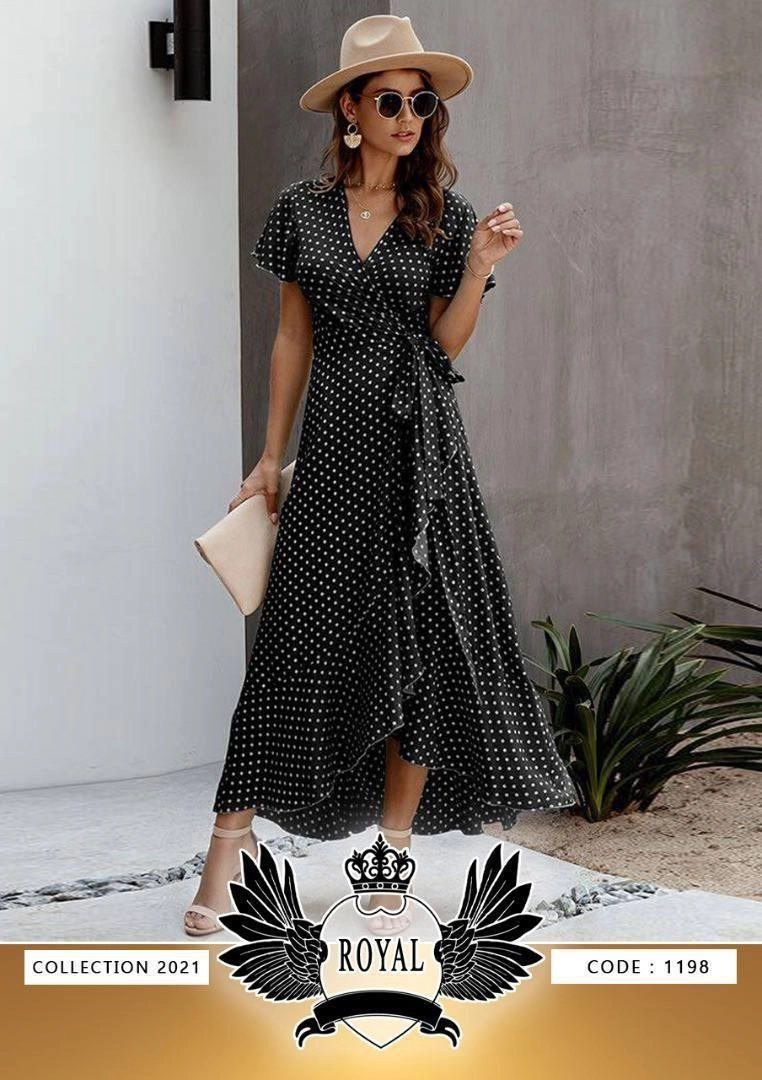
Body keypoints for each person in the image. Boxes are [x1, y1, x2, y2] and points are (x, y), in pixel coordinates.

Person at [184, 14, 577, 937]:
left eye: (421, 103)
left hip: (420, 458)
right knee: (292, 647)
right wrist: (269, 457)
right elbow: (292, 337)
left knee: (420, 655)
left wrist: (477, 271)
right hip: (331, 457)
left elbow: (443, 349)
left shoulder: (446, 215)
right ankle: (227, 845)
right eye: (390, 100)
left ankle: (391, 857)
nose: (409, 117)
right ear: (351, 112)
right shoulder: (301, 212)